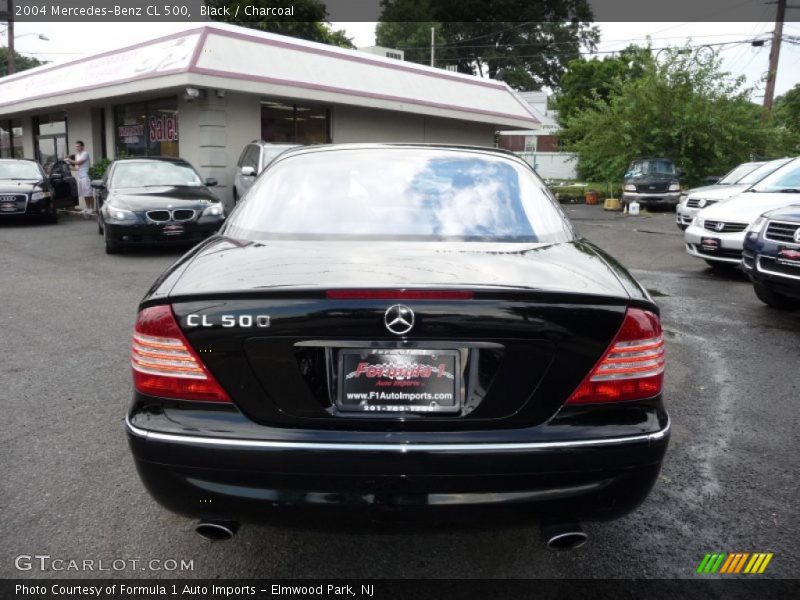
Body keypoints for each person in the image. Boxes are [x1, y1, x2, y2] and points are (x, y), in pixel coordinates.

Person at [67, 141, 93, 216]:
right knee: (84, 193)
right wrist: (70, 167)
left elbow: (78, 162)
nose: (77, 148)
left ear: (82, 146)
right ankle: (87, 208)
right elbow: (77, 167)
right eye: (76, 146)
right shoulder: (77, 155)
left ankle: (91, 208)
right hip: (80, 176)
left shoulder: (85, 154)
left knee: (89, 193)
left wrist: (69, 160)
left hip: (86, 176)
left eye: (78, 146)